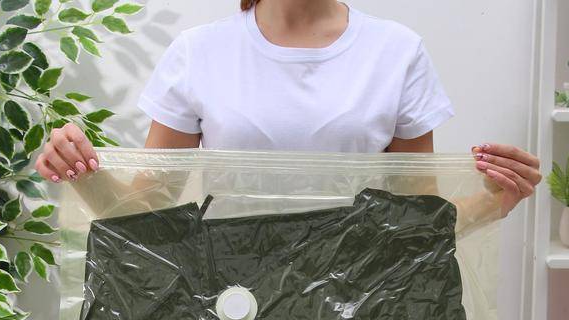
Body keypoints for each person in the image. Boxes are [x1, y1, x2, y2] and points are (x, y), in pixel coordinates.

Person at [34, 0, 542, 217]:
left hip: (357, 316)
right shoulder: (200, 52)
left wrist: (495, 200)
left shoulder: (396, 53)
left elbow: (417, 221)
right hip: (230, 312)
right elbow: (148, 213)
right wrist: (83, 173)